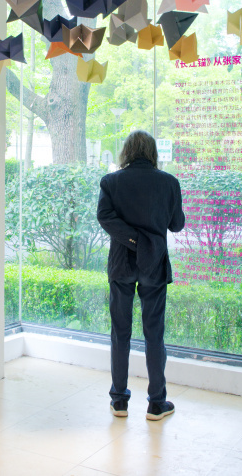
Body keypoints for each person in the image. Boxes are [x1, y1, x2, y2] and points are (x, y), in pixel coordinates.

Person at [97, 130, 185, 421]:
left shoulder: (111, 181)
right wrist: (147, 237)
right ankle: (157, 403)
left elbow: (104, 217)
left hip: (121, 264)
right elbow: (176, 225)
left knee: (120, 333)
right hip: (154, 265)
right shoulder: (169, 182)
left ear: (126, 151)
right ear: (152, 152)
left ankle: (119, 401)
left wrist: (133, 239)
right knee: (154, 334)